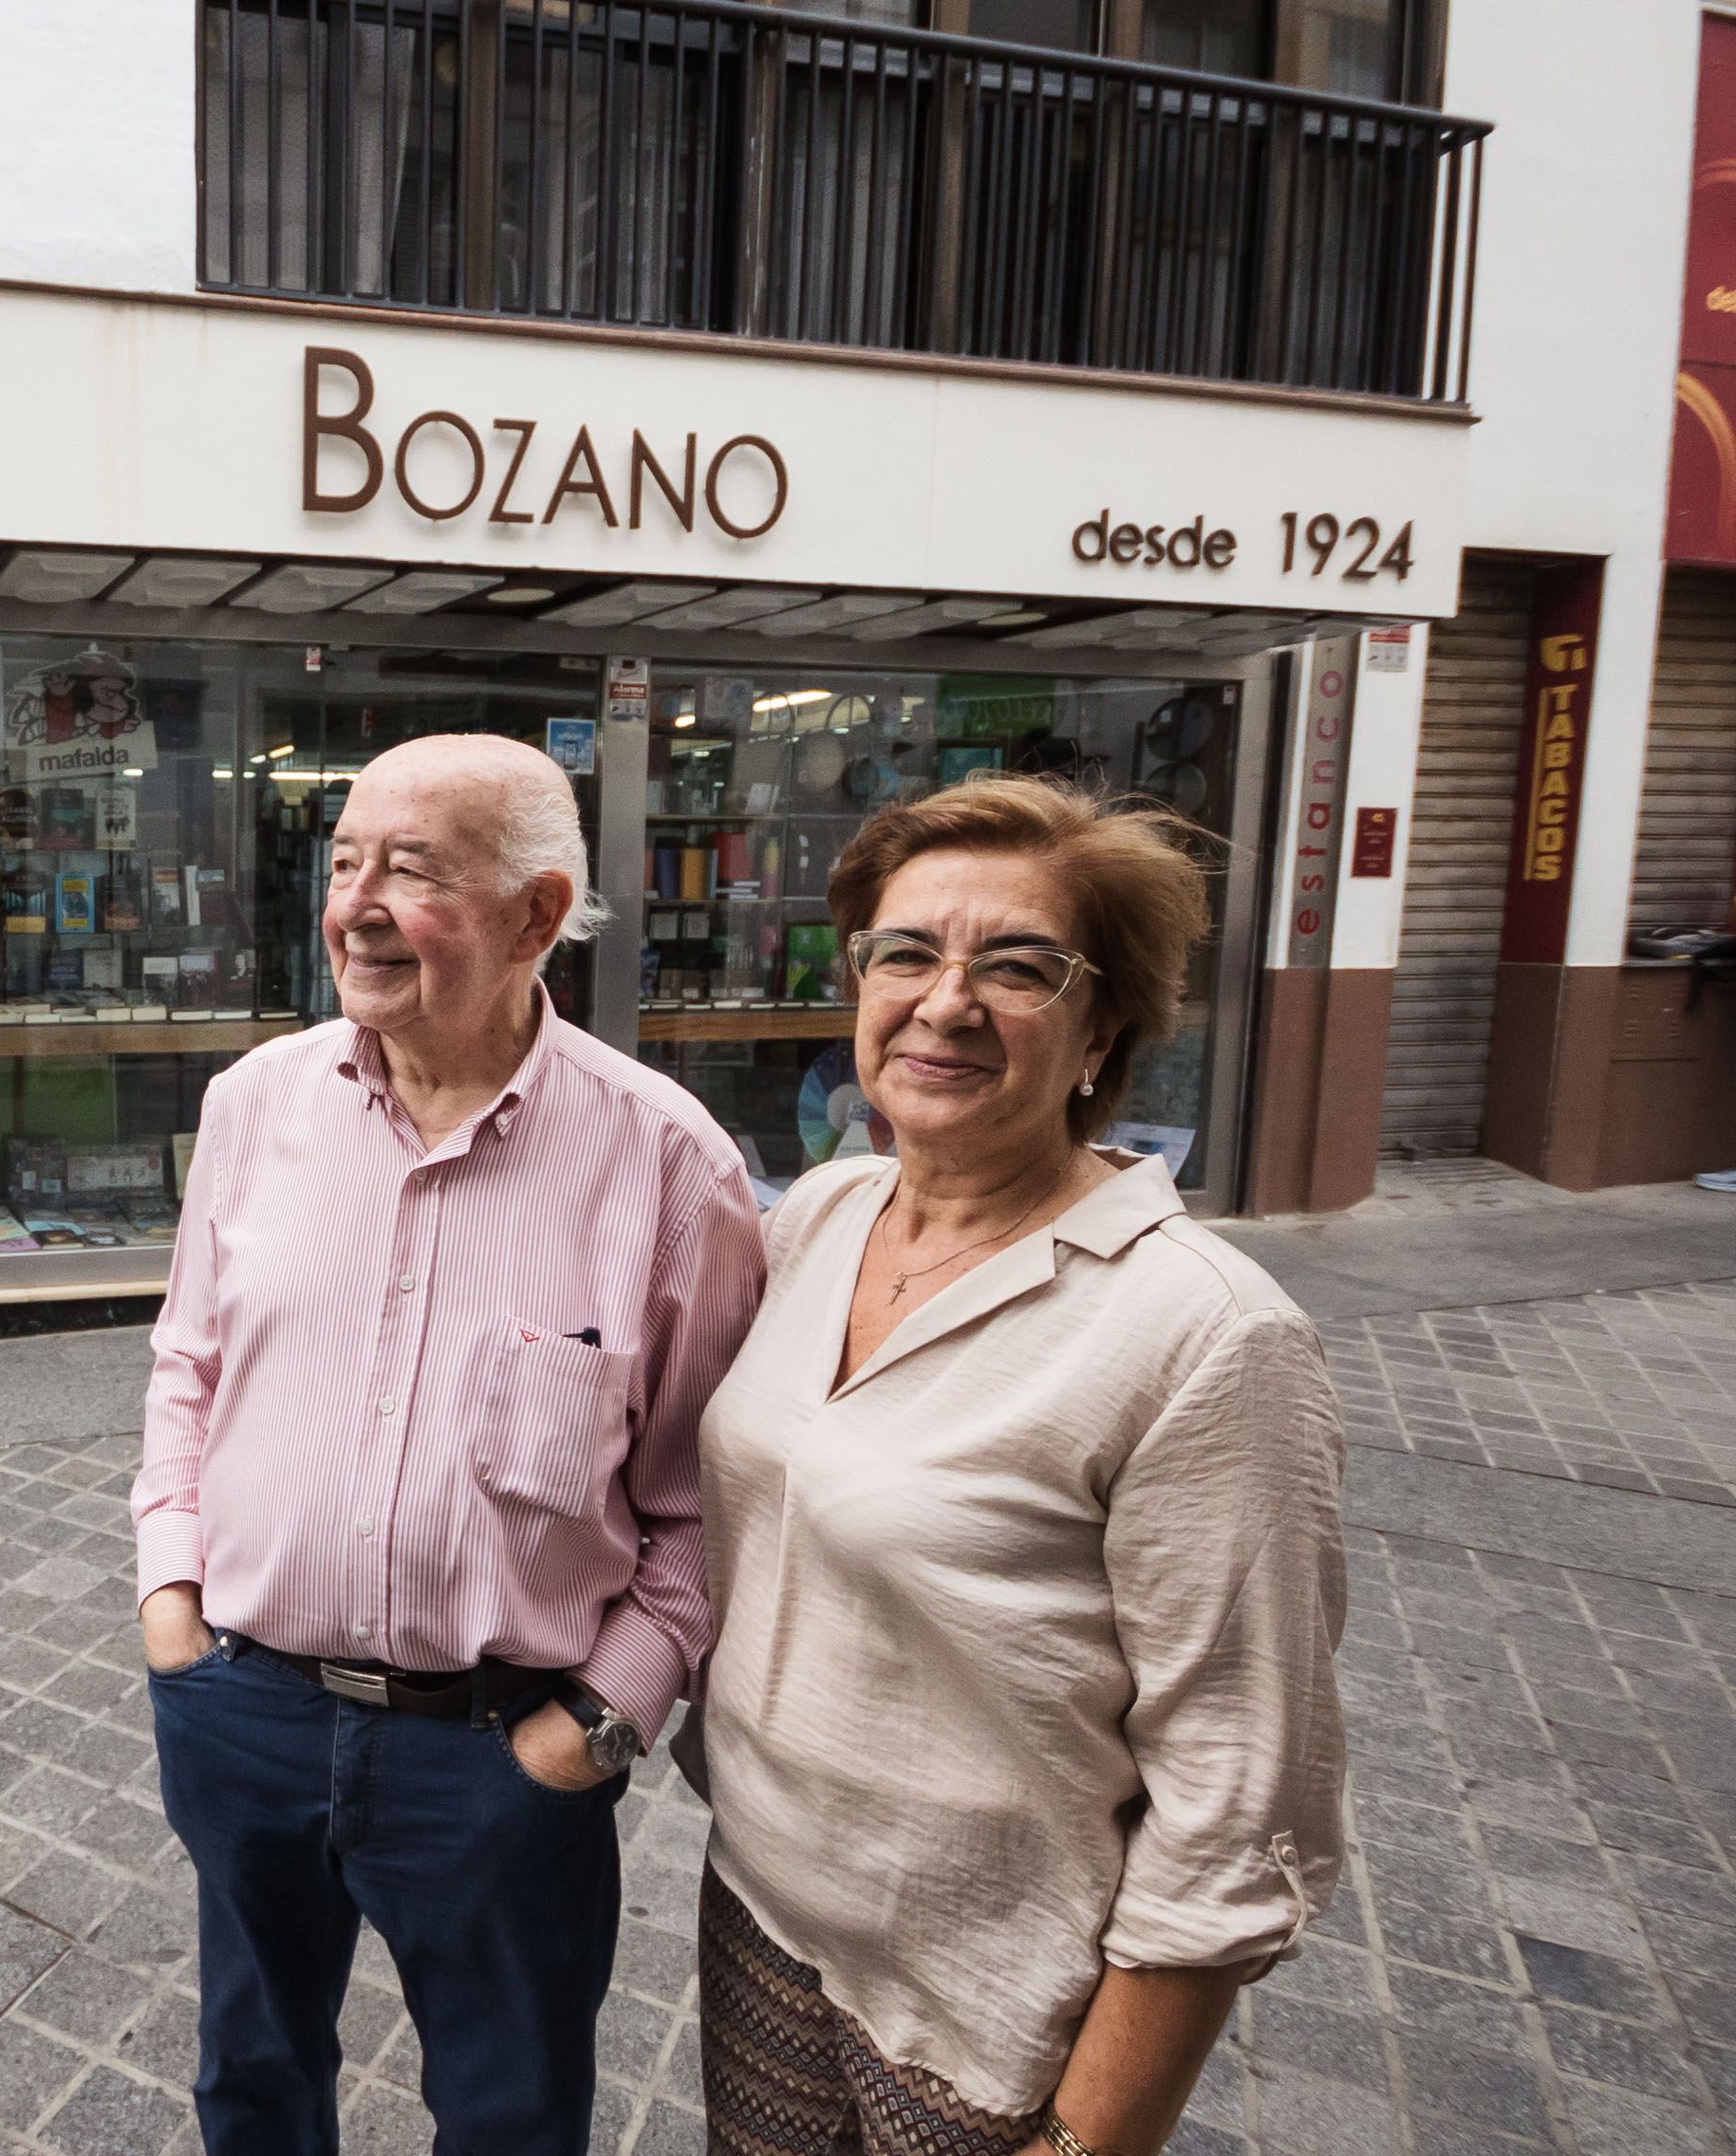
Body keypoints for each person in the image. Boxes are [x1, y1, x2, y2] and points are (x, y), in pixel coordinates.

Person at [689, 774, 1347, 2156]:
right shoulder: (823, 1211)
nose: (946, 1001)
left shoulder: (1204, 1333)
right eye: (907, 952)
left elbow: (1240, 1805)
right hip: (759, 1908)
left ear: (1105, 1025)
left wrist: (1084, 2143)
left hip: (988, 2013)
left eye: (1020, 968)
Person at [133, 732, 765, 2155]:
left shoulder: (670, 1163)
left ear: (537, 916)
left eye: (410, 871)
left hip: (498, 1754)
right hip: (248, 1712)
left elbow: (708, 1504)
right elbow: (189, 1361)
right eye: (344, 860)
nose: (355, 902)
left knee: (510, 2118)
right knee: (250, 2082)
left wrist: (594, 1727)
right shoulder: (256, 1107)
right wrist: (173, 1608)